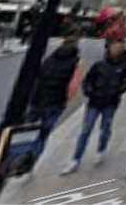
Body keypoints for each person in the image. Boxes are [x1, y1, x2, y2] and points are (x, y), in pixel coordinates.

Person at [62, 38, 126, 175]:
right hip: (95, 101)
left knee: (105, 128)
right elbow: (88, 79)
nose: (117, 49)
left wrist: (120, 89)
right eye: (115, 46)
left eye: (120, 47)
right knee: (86, 130)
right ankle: (75, 159)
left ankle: (101, 149)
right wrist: (88, 91)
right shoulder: (99, 65)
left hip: (111, 101)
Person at [26, 31, 83, 163]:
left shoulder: (49, 59)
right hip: (56, 101)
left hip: (38, 99)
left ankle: (20, 155)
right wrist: (66, 99)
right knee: (44, 133)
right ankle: (32, 160)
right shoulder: (76, 62)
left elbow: (38, 77)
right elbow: (73, 86)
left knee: (28, 129)